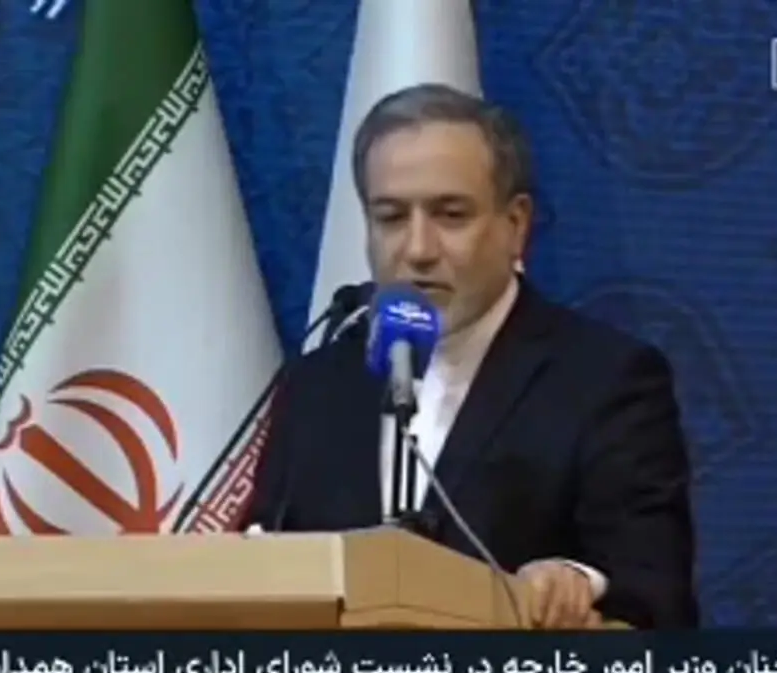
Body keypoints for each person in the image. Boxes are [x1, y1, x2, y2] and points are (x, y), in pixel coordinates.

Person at [243, 84, 699, 629]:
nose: (417, 249)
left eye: (450, 215)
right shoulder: (318, 385)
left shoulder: (605, 379)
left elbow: (656, 592)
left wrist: (574, 579)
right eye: (391, 217)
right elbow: (261, 562)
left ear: (516, 226)